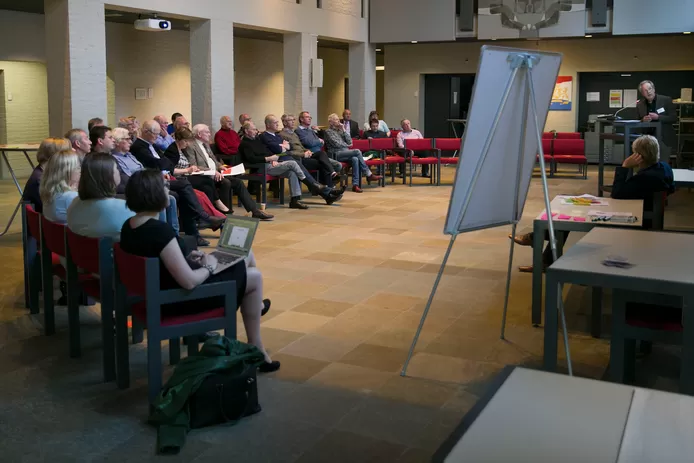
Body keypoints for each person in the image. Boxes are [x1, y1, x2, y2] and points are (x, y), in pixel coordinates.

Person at [120, 169, 279, 371]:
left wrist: (187, 256)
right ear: (154, 195)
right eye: (165, 186)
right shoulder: (160, 231)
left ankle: (254, 320)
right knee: (254, 276)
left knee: (243, 254)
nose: (168, 189)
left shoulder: (130, 226)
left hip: (157, 292)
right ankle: (256, 344)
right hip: (178, 299)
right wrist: (209, 266)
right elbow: (189, 282)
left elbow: (158, 257)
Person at [512, 135, 675, 272]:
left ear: (639, 156)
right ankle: (539, 249)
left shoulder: (646, 177)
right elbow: (670, 188)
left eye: (634, 153)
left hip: (632, 219)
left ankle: (537, 243)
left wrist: (625, 167)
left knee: (564, 219)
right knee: (569, 212)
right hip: (637, 211)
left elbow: (618, 193)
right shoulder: (663, 168)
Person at [131, 120, 225, 246]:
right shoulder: (139, 146)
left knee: (190, 193)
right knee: (186, 186)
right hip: (155, 180)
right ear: (145, 132)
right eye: (155, 134)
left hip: (165, 177)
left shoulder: (151, 145)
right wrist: (166, 166)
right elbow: (158, 163)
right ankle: (204, 218)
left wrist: (165, 165)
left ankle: (195, 232)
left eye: (159, 134)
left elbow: (165, 162)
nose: (157, 137)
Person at [187, 124, 273, 220]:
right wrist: (211, 171)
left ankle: (255, 211)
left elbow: (213, 159)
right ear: (199, 134)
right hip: (204, 176)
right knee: (226, 182)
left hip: (217, 173)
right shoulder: (191, 146)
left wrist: (220, 166)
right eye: (207, 132)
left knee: (238, 182)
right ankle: (225, 213)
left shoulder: (205, 144)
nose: (210, 134)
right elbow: (194, 166)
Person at [240, 121, 327, 210]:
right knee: (293, 163)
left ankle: (295, 200)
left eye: (256, 129)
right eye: (254, 129)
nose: (256, 131)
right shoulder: (245, 143)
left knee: (292, 173)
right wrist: (268, 159)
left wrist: (271, 159)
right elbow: (251, 159)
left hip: (269, 164)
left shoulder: (257, 140)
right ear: (246, 131)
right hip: (260, 167)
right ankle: (311, 185)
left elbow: (267, 151)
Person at [111, 127, 180, 234]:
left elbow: (143, 169)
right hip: (137, 187)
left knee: (171, 198)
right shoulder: (114, 159)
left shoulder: (130, 155)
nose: (130, 141)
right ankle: (162, 234)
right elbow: (123, 181)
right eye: (127, 139)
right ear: (118, 142)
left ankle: (174, 234)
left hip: (145, 183)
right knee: (162, 197)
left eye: (130, 138)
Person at [260, 114, 342, 204]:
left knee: (319, 160)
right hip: (281, 161)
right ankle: (324, 189)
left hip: (287, 158)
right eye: (275, 122)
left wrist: (286, 148)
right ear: (268, 125)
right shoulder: (265, 136)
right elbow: (279, 149)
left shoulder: (277, 136)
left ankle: (325, 192)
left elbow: (289, 146)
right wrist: (284, 148)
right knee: (296, 163)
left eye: (277, 122)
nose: (277, 124)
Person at [66, 153, 135, 241]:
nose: (119, 172)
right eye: (116, 169)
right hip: (113, 253)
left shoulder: (74, 203)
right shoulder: (125, 207)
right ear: (107, 176)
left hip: (81, 253)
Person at [323, 113, 382, 193]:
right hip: (335, 154)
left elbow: (350, 141)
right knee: (357, 151)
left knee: (355, 159)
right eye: (336, 119)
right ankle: (368, 174)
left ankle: (355, 185)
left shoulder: (340, 131)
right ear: (331, 122)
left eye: (338, 119)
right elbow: (336, 144)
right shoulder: (328, 132)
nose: (338, 121)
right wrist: (347, 145)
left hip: (345, 152)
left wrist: (343, 130)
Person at [281, 114, 342, 189]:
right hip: (299, 158)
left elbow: (301, 146)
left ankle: (331, 179)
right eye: (291, 120)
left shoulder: (293, 133)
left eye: (293, 120)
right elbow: (292, 150)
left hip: (309, 153)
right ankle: (329, 186)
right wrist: (304, 153)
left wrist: (307, 150)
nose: (293, 122)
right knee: (323, 163)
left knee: (322, 154)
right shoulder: (283, 134)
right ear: (284, 122)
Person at [22, 137, 72, 212]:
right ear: (55, 156)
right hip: (45, 221)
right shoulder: (41, 180)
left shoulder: (43, 173)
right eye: (67, 153)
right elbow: (58, 210)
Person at [635, 80, 677, 165]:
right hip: (647, 140)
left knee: (663, 165)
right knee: (648, 165)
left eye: (650, 89)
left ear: (654, 89)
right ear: (642, 93)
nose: (648, 92)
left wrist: (658, 117)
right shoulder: (640, 104)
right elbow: (638, 120)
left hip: (663, 139)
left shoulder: (666, 100)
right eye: (645, 91)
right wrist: (643, 120)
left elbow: (673, 118)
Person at [40, 150, 81, 224]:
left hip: (56, 234)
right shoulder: (71, 197)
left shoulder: (50, 192)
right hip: (70, 235)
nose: (80, 171)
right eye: (78, 168)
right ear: (68, 172)